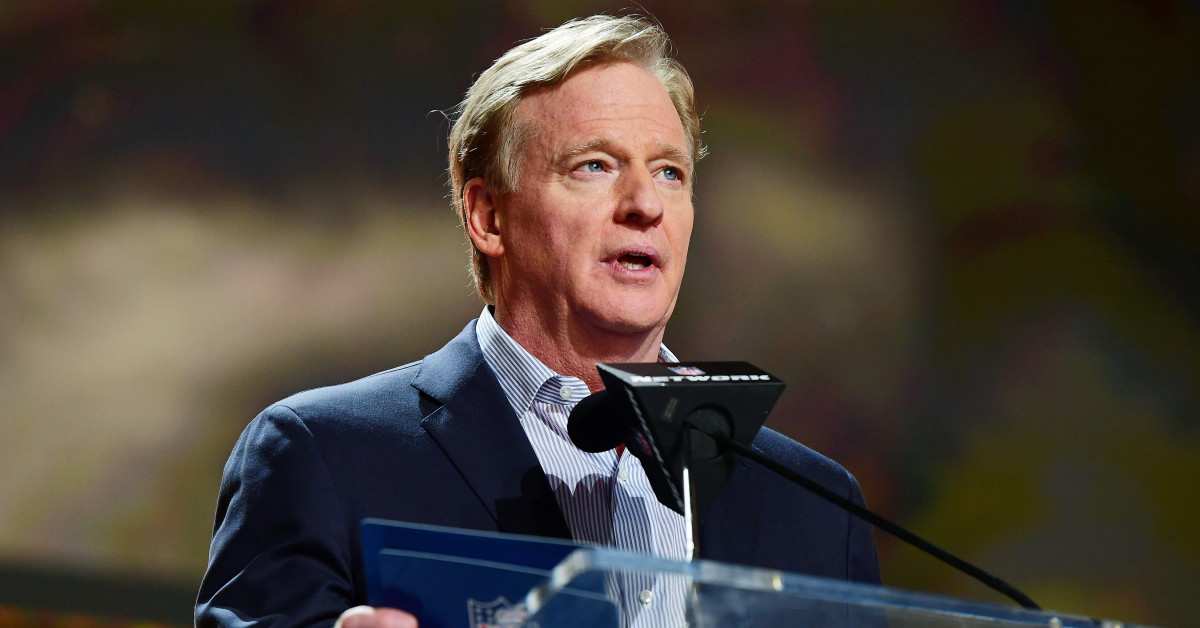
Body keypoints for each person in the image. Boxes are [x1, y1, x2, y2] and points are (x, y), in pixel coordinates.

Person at [196, 15, 879, 628]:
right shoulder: (324, 456)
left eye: (670, 173)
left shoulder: (817, 508)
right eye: (595, 166)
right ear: (488, 217)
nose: (645, 204)